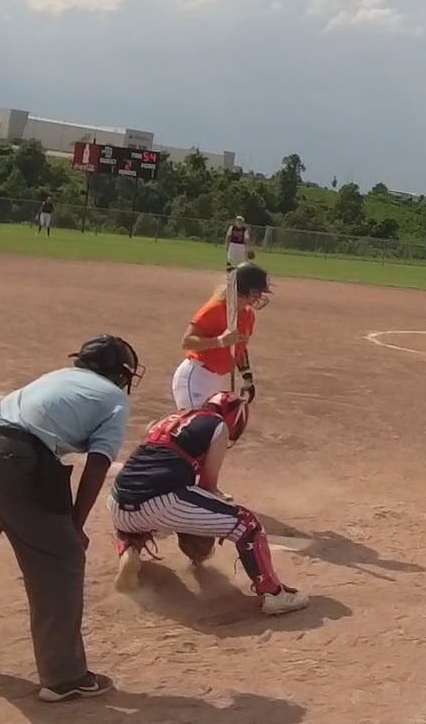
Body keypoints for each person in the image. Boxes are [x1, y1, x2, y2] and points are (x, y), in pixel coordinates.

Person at [0, 335, 143, 703]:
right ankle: (65, 677)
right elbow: (98, 462)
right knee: (61, 558)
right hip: (13, 456)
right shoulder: (113, 398)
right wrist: (74, 525)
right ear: (121, 374)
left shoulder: (56, 376)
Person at [109, 392, 310, 616]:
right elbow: (208, 485)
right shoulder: (218, 425)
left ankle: (129, 548)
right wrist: (205, 525)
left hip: (118, 503)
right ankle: (275, 595)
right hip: (162, 500)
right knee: (247, 525)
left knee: (146, 515)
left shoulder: (169, 420)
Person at [174, 262, 269, 410]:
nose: (259, 297)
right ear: (243, 289)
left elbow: (240, 347)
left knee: (220, 424)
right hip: (197, 377)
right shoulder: (215, 309)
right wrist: (220, 341)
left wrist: (246, 376)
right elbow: (187, 342)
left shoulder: (248, 315)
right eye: (256, 292)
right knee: (198, 422)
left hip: (220, 381)